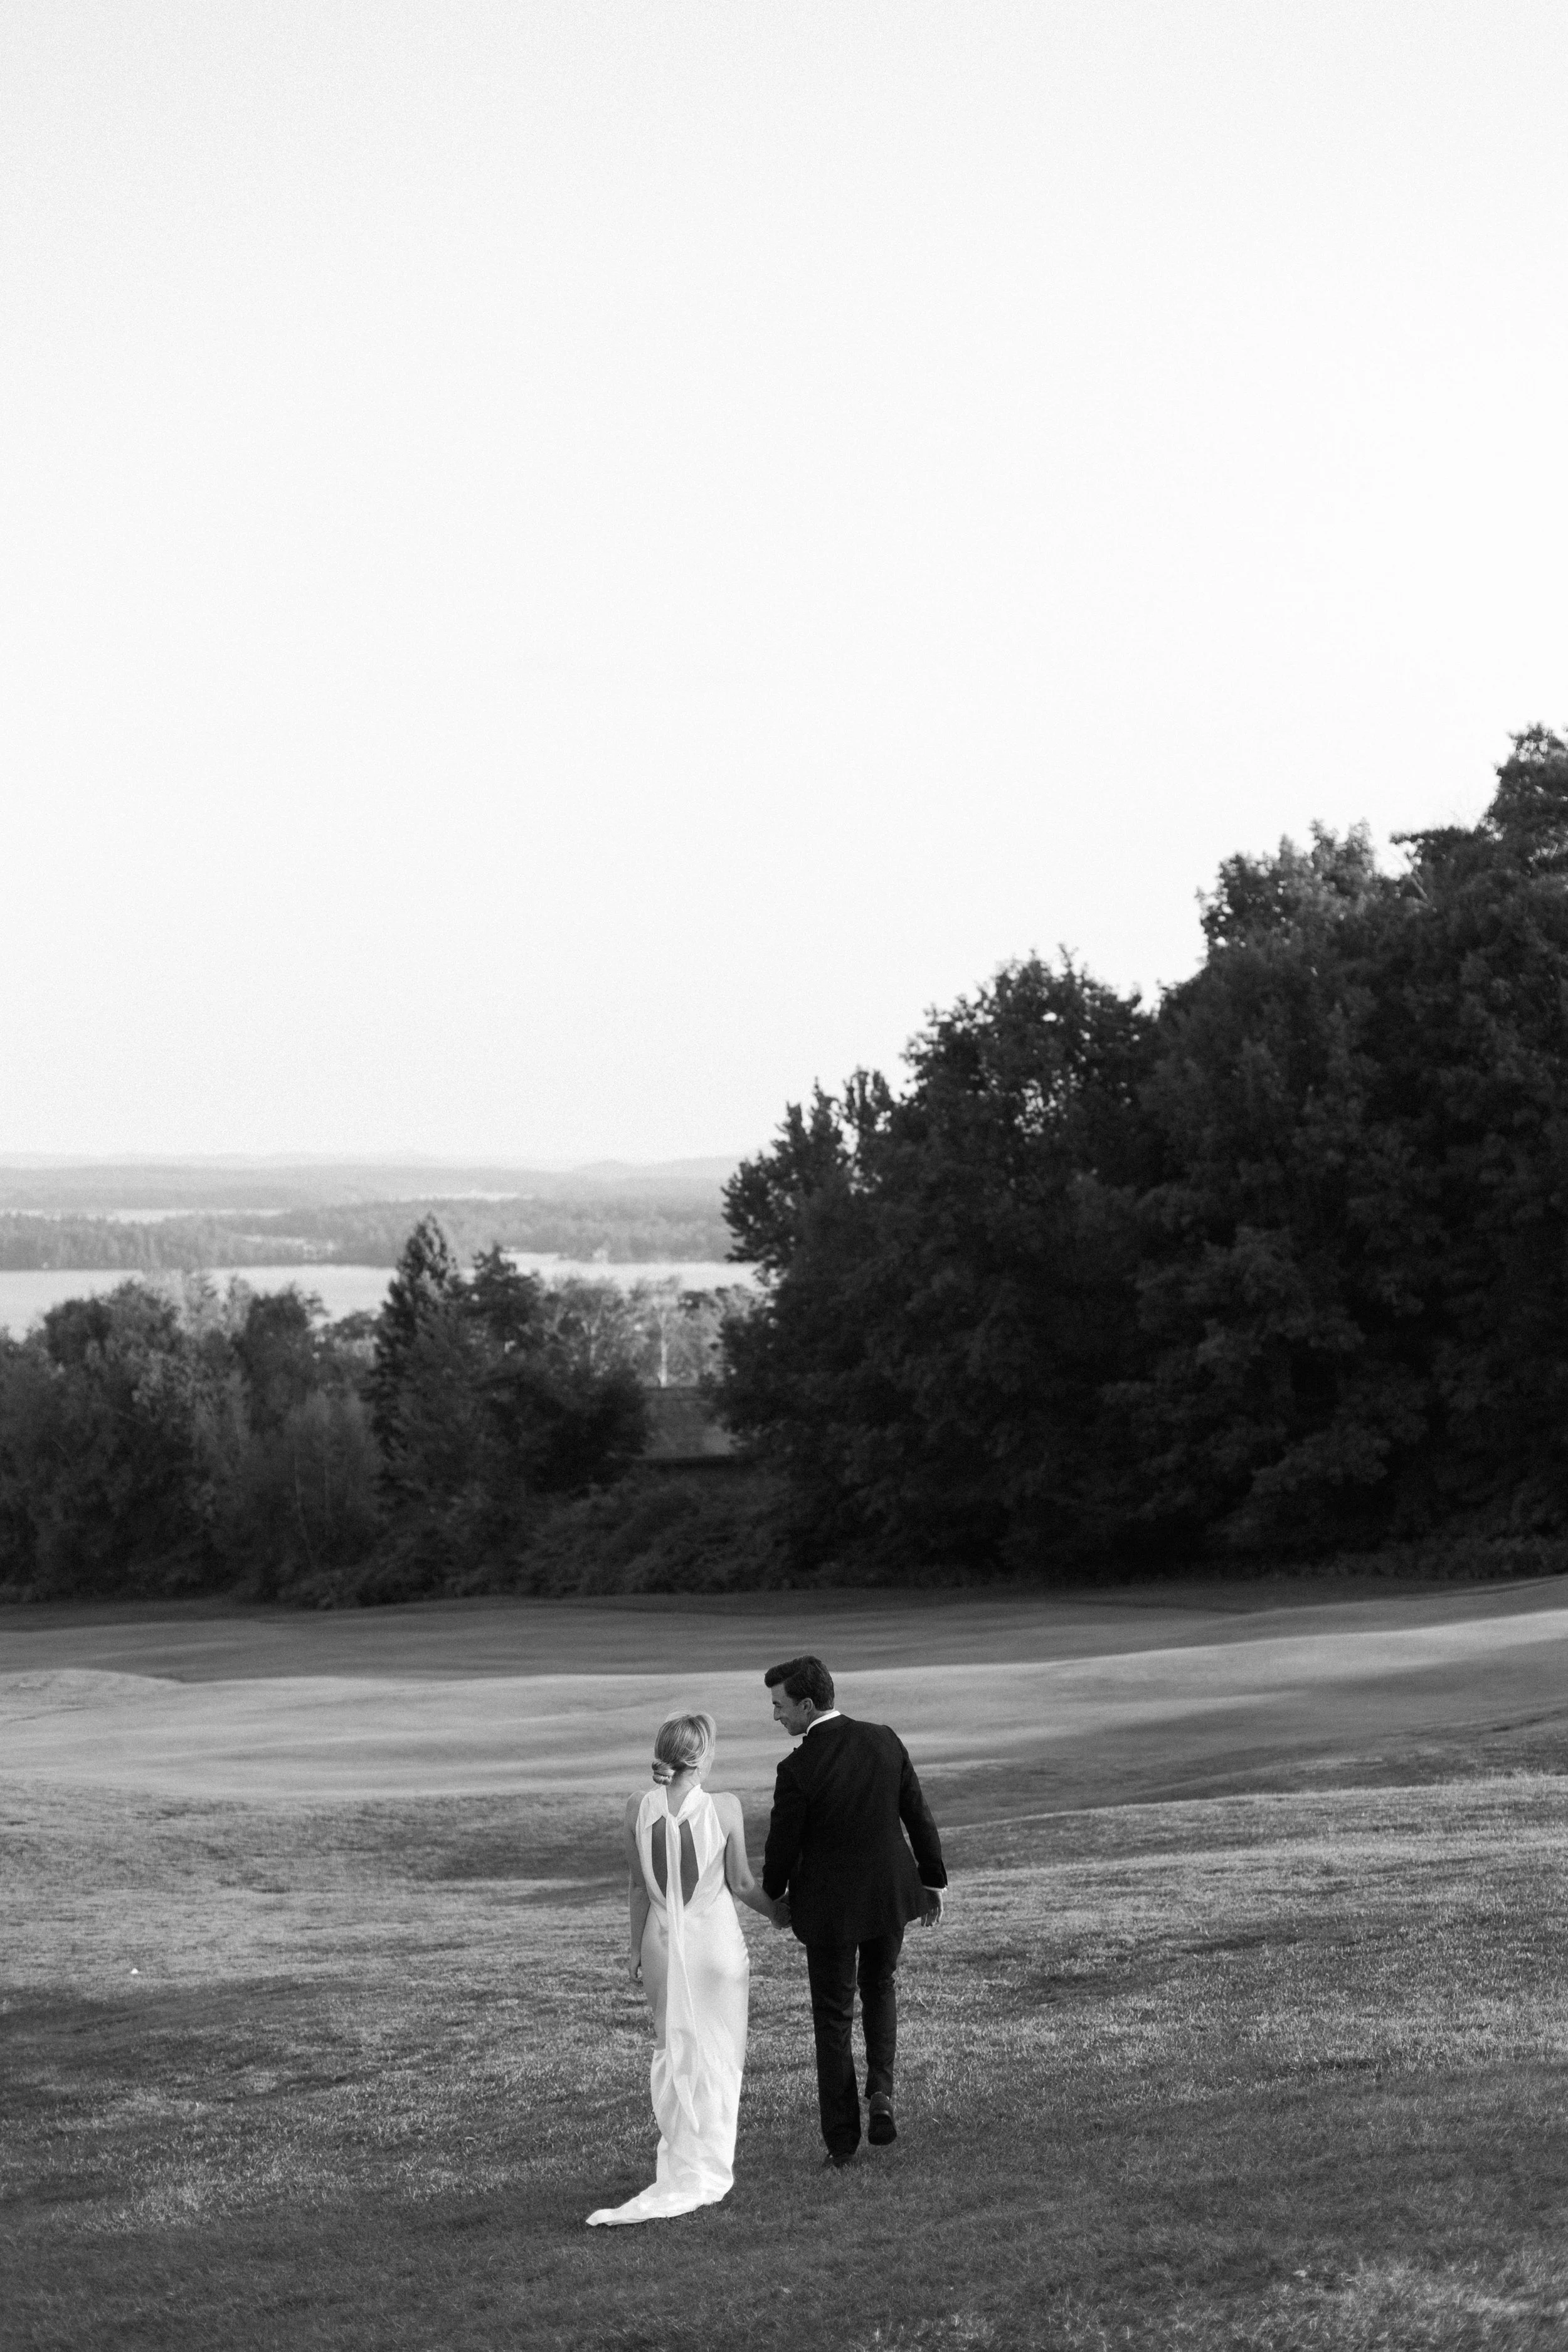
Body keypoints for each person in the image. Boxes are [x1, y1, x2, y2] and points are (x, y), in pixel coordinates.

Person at [587, 1710, 779, 2225]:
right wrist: (782, 1915)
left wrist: (633, 1949)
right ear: (704, 1756)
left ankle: (682, 2155)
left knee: (670, 2047)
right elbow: (741, 1884)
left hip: (661, 1944)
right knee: (718, 2051)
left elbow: (636, 1887)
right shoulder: (726, 1807)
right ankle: (710, 2161)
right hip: (714, 1946)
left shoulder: (637, 1807)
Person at [761, 1654, 948, 2167]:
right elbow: (918, 1812)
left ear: (805, 1704)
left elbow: (781, 1847)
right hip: (890, 1892)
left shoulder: (797, 1768)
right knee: (880, 1986)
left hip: (828, 1909)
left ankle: (842, 2143)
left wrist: (774, 1895)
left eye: (779, 1706)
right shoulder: (883, 1738)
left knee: (833, 2017)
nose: (775, 1716)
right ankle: (882, 2093)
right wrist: (932, 1879)